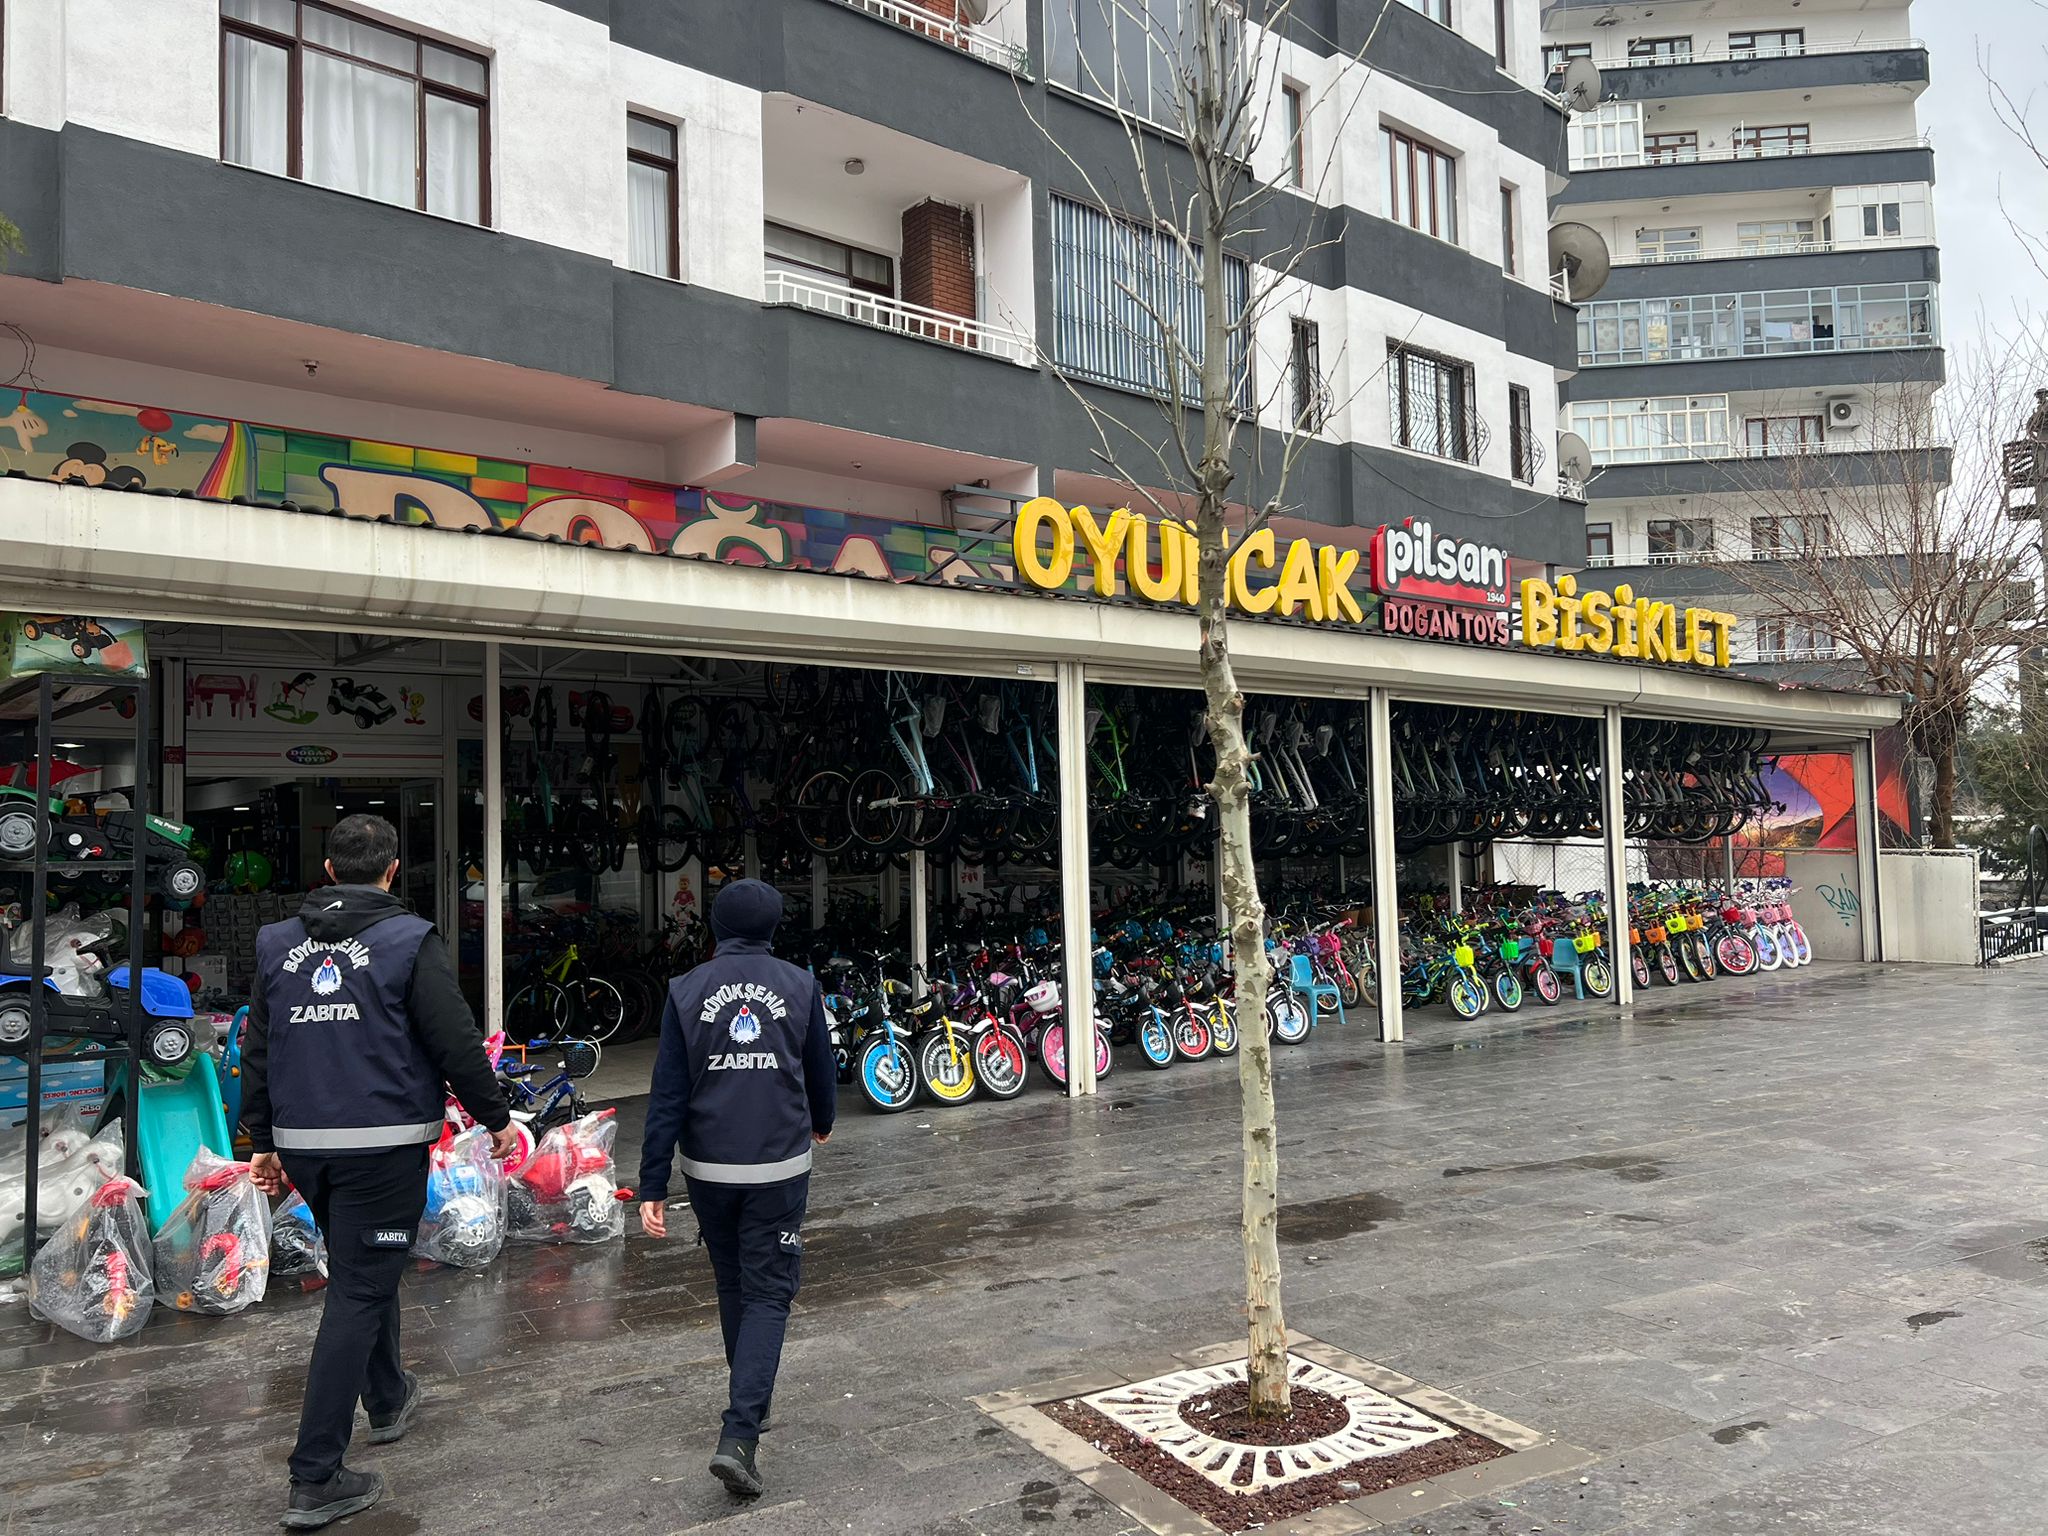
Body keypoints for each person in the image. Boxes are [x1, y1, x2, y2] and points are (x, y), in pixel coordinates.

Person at [244, 814, 517, 1531]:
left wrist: (261, 1140)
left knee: (363, 1265)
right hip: (382, 1146)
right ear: (393, 870)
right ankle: (316, 1476)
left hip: (307, 1147)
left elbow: (258, 1046)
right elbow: (455, 1039)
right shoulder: (408, 939)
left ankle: (389, 1397)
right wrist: (497, 1117)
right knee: (361, 1288)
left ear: (330, 870)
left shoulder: (277, 942)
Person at [638, 878, 836, 1499]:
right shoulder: (800, 985)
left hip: (709, 1169)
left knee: (732, 1283)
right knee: (770, 1293)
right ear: (774, 928)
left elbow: (668, 1092)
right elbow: (821, 1068)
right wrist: (823, 1120)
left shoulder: (685, 989)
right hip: (778, 1166)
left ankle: (752, 1394)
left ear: (716, 928)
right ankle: (740, 1432)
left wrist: (652, 1181)